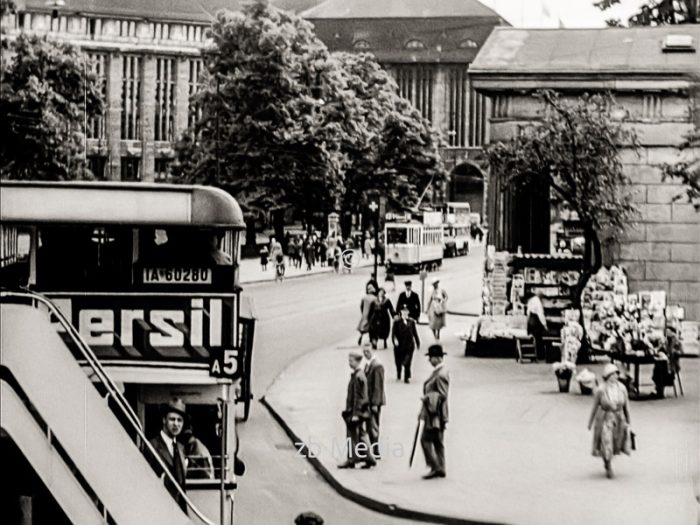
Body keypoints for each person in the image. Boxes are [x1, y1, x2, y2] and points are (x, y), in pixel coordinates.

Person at [588, 363, 632, 479]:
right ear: (607, 376)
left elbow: (626, 405)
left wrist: (629, 421)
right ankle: (608, 465)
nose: (615, 377)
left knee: (616, 442)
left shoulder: (622, 388)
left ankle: (608, 459)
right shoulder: (601, 390)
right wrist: (590, 422)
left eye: (616, 374)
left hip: (619, 419)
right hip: (605, 418)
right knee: (606, 441)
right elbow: (595, 406)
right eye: (612, 375)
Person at [338, 350, 376, 469]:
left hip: (355, 412)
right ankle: (369, 458)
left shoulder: (358, 376)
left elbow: (358, 398)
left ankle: (352, 459)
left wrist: (355, 413)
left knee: (352, 436)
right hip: (359, 411)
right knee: (361, 435)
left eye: (351, 361)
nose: (349, 363)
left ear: (357, 361)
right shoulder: (359, 375)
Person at [149, 398, 188, 511]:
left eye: (179, 420)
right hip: (160, 508)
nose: (176, 424)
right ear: (164, 420)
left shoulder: (180, 448)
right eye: (172, 419)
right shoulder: (152, 447)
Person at [419, 344, 449, 480]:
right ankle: (441, 467)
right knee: (437, 441)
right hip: (435, 413)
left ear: (437, 358)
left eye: (431, 358)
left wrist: (427, 398)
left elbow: (442, 395)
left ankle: (435, 466)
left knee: (425, 440)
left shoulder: (441, 374)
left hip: (435, 414)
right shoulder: (438, 372)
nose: (429, 360)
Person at [363, 343, 386, 459]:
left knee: (373, 426)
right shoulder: (369, 365)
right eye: (364, 352)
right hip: (369, 401)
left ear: (372, 351)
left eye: (368, 351)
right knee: (370, 426)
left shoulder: (377, 366)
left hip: (374, 402)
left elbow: (378, 386)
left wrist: (375, 404)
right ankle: (372, 449)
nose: (366, 354)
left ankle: (376, 451)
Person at [391, 304, 420, 383]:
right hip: (399, 345)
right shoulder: (397, 322)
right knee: (398, 361)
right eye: (403, 311)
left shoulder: (411, 322)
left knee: (408, 361)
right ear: (400, 312)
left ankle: (406, 377)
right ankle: (399, 373)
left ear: (408, 312)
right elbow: (393, 334)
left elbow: (415, 333)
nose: (405, 313)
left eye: (406, 311)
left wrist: (418, 342)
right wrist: (394, 341)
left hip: (409, 345)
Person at [526, 291, 548, 360]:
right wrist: (545, 325)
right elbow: (540, 314)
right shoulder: (538, 302)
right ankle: (539, 355)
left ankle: (531, 355)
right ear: (540, 296)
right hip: (535, 321)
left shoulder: (531, 300)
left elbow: (528, 311)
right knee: (538, 338)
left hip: (530, 320)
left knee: (532, 338)